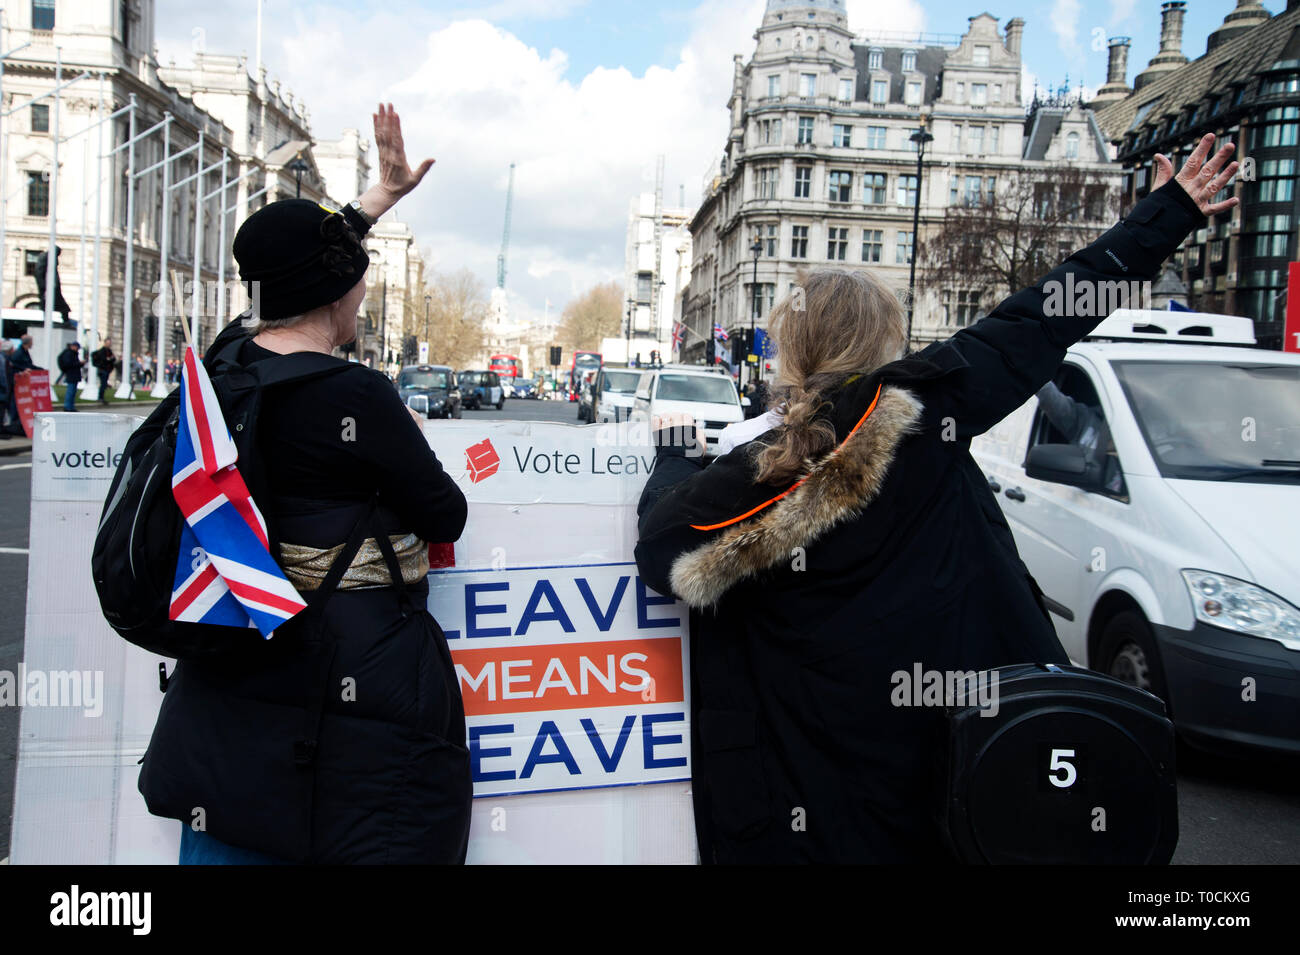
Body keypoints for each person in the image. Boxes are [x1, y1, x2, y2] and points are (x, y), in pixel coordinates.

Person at [634, 135, 1238, 863]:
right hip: (944, 784)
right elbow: (1042, 318)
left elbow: (662, 541)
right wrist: (1166, 216)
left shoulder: (750, 475)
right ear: (888, 341)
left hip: (808, 804)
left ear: (789, 350)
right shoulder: (921, 413)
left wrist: (672, 460)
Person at [137, 102, 472, 865]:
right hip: (353, 685)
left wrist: (371, 204)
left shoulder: (223, 371)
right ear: (338, 293)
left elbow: (292, 265)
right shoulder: (356, 396)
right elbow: (444, 512)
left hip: (229, 676)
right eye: (356, 281)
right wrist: (410, 445)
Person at [56, 341, 83, 411]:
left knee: (73, 391)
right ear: (73, 346)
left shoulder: (73, 353)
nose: (78, 350)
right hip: (71, 374)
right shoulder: (69, 353)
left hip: (74, 374)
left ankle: (71, 406)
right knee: (70, 391)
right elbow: (69, 364)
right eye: (77, 348)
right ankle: (67, 406)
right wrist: (79, 363)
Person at [91, 338, 116, 405]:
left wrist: (110, 359)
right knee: (103, 384)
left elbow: (112, 359)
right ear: (105, 343)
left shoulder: (109, 351)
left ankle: (101, 397)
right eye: (108, 343)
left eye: (109, 343)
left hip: (107, 370)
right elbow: (104, 360)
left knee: (104, 384)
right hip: (103, 370)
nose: (109, 344)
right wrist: (108, 359)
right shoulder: (102, 351)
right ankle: (100, 397)